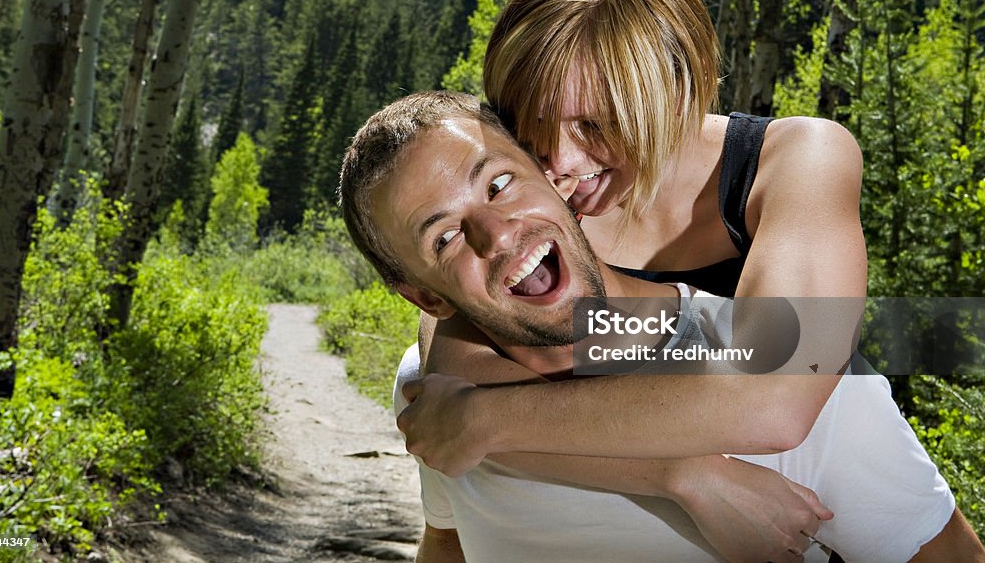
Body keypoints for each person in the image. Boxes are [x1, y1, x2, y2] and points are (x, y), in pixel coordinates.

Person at [337, 91, 984, 562]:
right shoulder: (433, 395)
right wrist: (680, 473)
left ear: (557, 177)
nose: (496, 232)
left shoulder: (806, 384)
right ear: (425, 294)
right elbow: (446, 543)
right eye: (446, 235)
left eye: (501, 183)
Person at [409, 0, 861, 484]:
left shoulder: (795, 161)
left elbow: (777, 398)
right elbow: (445, 381)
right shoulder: (530, 187)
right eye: (533, 120)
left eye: (595, 124)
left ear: (678, 86)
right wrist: (680, 476)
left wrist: (485, 421)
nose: (558, 161)